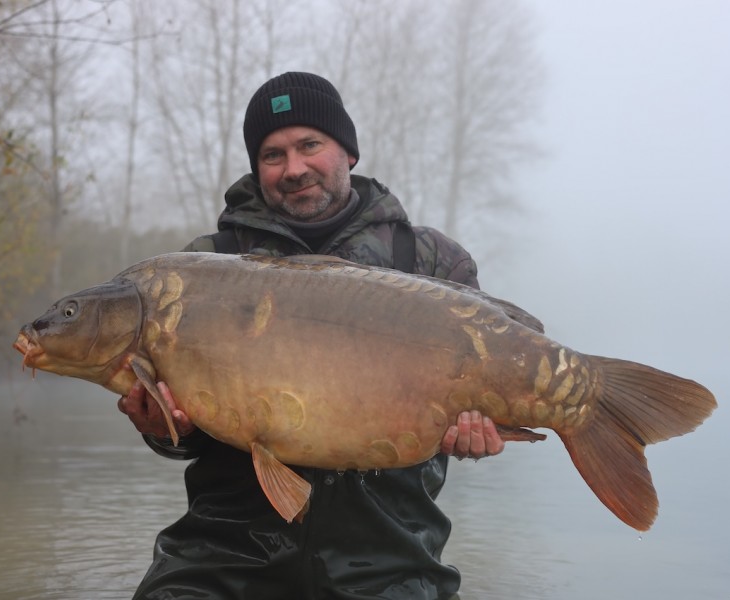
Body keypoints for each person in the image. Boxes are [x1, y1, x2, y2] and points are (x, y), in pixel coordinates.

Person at [118, 72, 504, 600]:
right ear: (256, 167)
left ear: (347, 151)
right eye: (273, 154)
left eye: (309, 145)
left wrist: (477, 431)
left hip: (388, 559)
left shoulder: (429, 262)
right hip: (225, 553)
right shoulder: (206, 266)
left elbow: (474, 409)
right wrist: (163, 429)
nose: (294, 168)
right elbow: (185, 437)